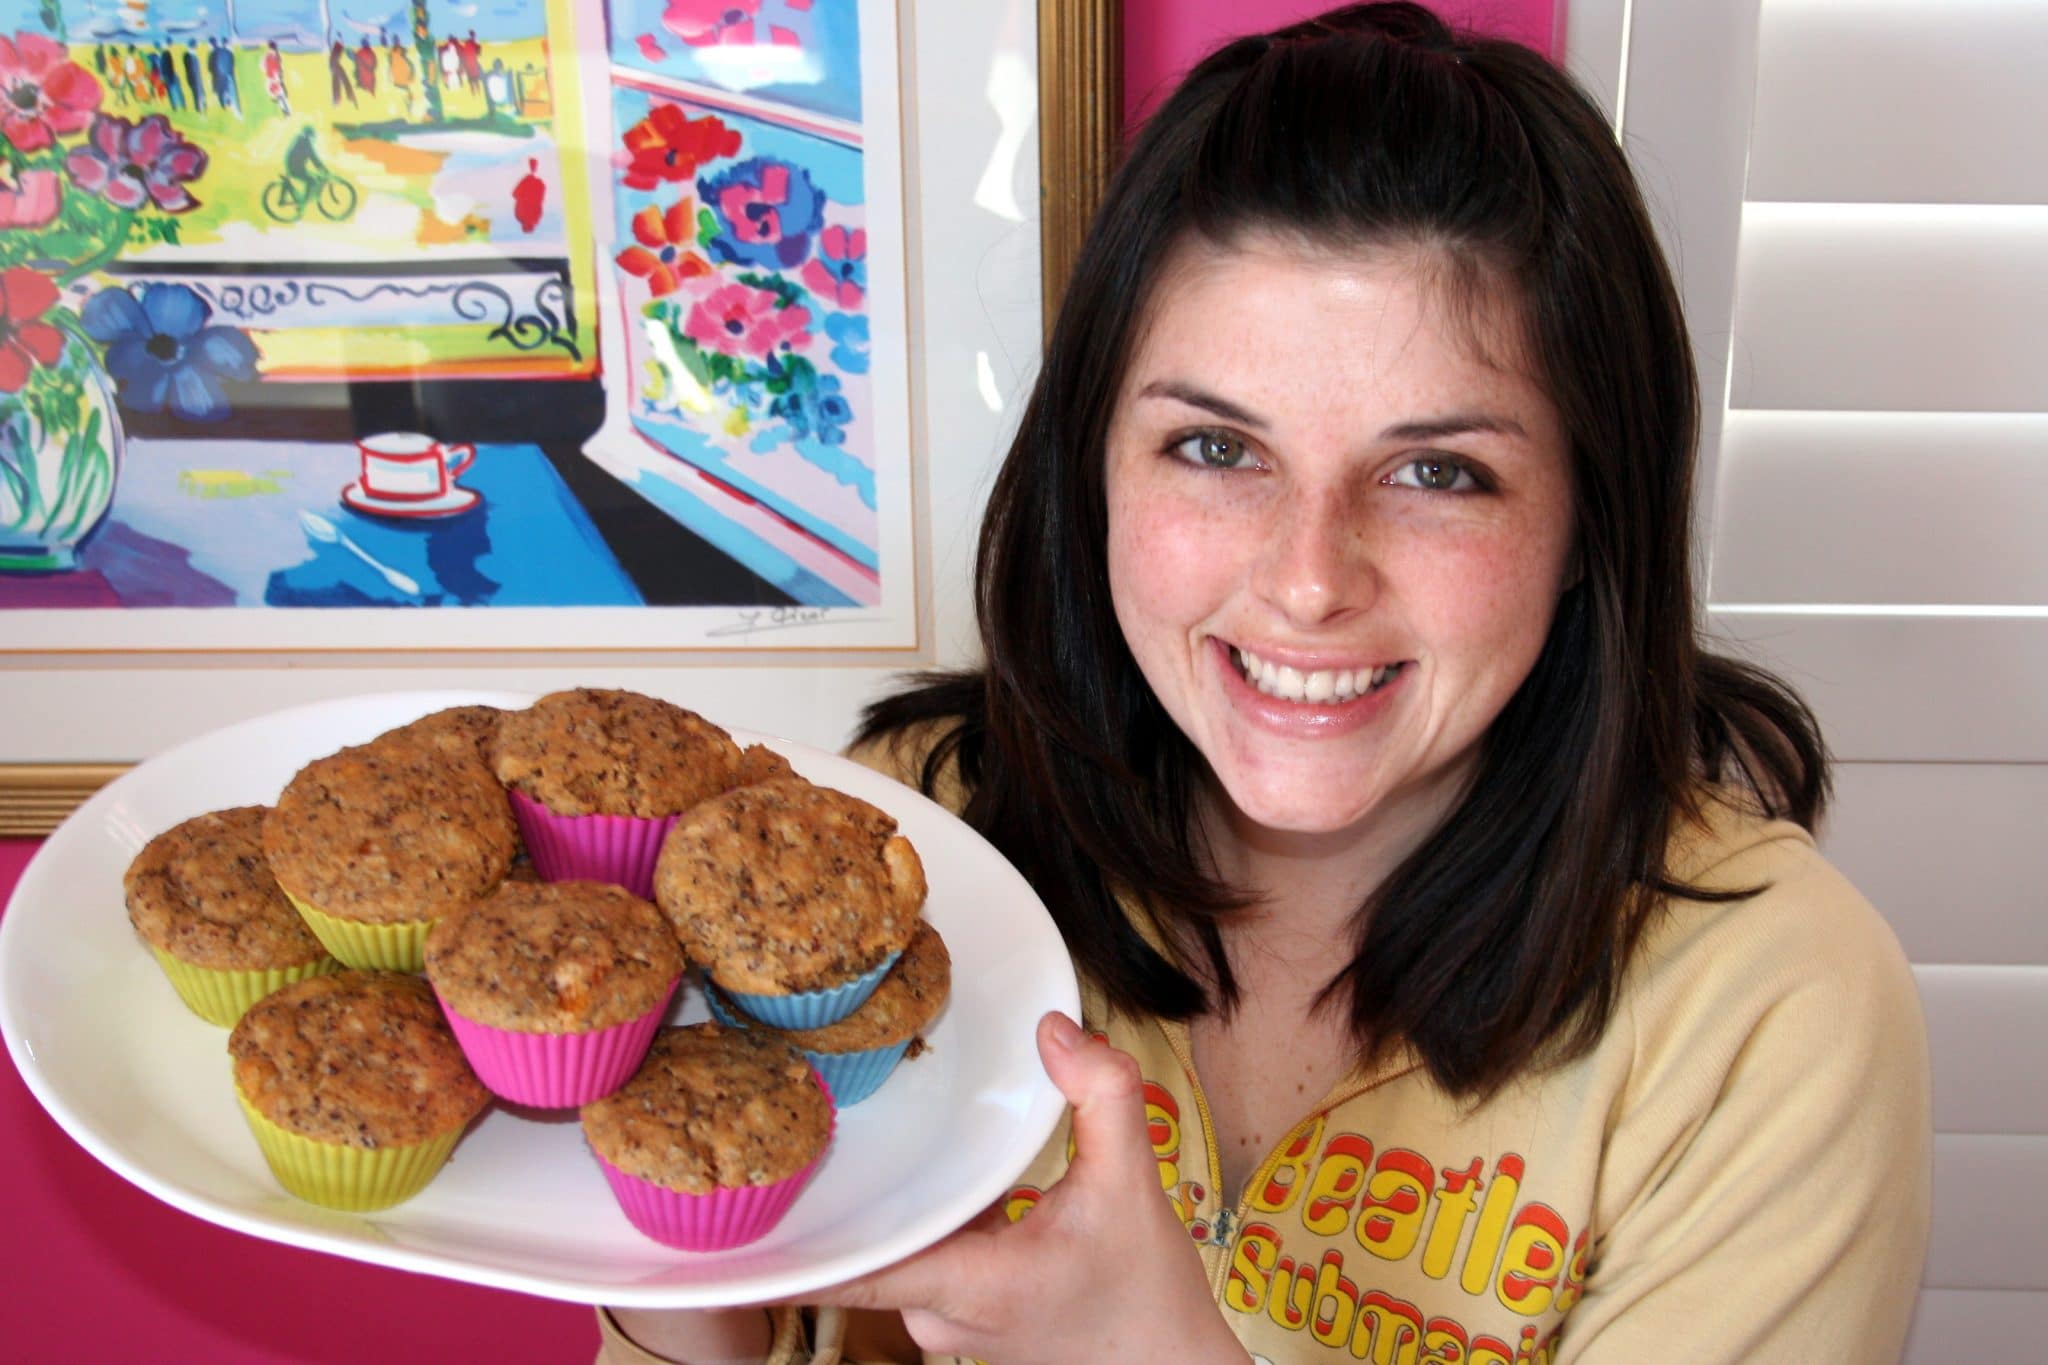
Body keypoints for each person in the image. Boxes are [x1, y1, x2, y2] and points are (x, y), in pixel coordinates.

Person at [598, 5, 1931, 1363]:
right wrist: (676, 1273)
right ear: (1095, 467)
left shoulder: (1774, 1013)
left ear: (1592, 519)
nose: (1307, 580)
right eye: (1217, 448)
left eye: (1438, 472)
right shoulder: (905, 841)